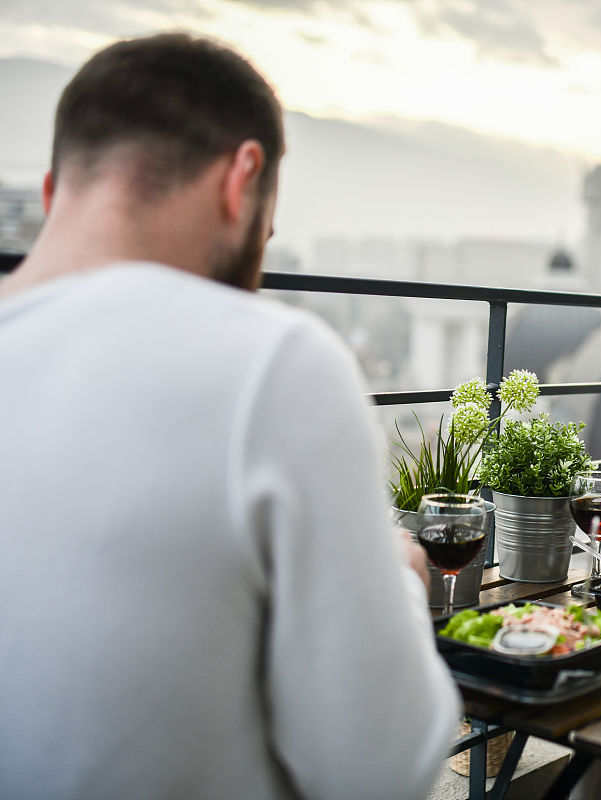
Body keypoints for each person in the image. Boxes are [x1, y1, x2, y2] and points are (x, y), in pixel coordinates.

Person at [0, 34, 459, 800]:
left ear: (53, 194)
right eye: (269, 228)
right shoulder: (277, 362)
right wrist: (399, 577)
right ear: (242, 178)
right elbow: (381, 769)